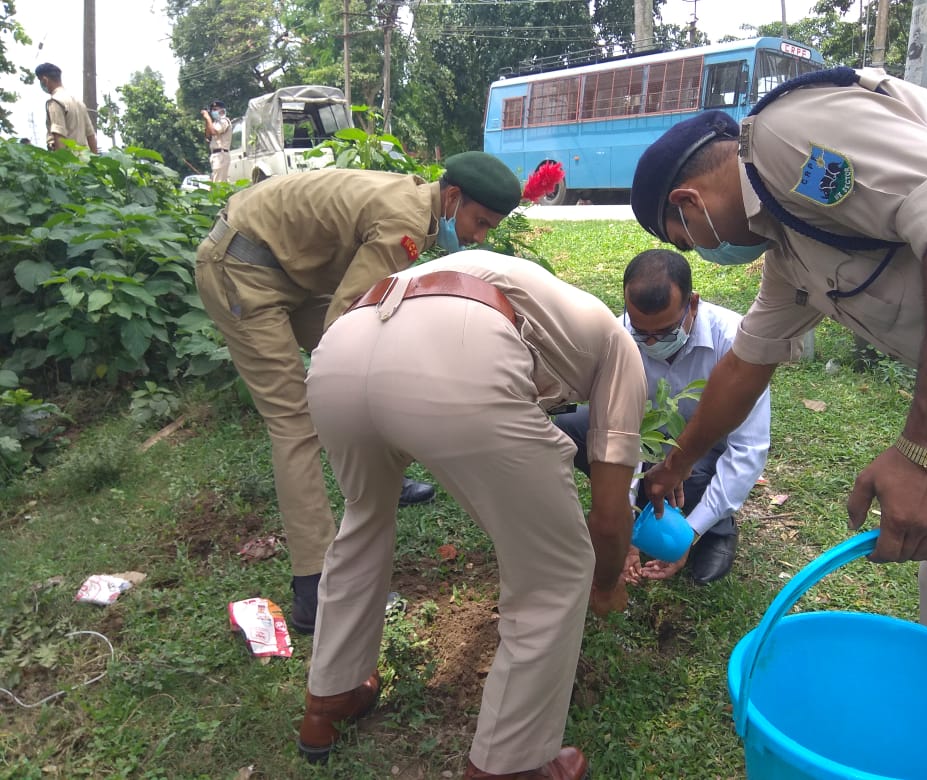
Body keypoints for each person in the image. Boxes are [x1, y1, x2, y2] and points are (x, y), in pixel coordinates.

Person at [630, 65, 927, 767]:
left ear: (688, 203)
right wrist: (675, 464)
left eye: (688, 241)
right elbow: (743, 369)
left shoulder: (788, 138)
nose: (707, 256)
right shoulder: (792, 249)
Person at [298, 250, 646, 780]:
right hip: (457, 352)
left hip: (343, 348)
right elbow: (608, 511)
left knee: (364, 518)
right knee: (555, 570)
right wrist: (605, 582)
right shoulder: (621, 351)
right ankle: (512, 763)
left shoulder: (549, 299)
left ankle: (330, 698)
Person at [194, 153, 523, 634]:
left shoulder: (424, 206)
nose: (479, 237)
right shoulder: (407, 219)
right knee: (294, 424)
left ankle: (383, 475)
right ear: (453, 197)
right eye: (479, 222)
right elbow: (345, 323)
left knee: (386, 361)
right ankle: (316, 586)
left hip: (286, 269)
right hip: (241, 270)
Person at [555, 249, 769, 584]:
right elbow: (618, 432)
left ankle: (715, 531)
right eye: (642, 333)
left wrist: (690, 535)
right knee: (572, 429)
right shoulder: (618, 335)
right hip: (644, 438)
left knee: (694, 477)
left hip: (705, 450)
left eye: (666, 332)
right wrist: (623, 526)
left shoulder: (736, 343)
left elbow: (747, 451)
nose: (652, 343)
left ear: (693, 304)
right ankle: (647, 513)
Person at [34, 62, 98, 153]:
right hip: (85, 159)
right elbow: (91, 135)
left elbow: (59, 134)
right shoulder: (79, 102)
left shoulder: (55, 102)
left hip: (69, 160)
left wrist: (62, 163)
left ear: (45, 80)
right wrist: (95, 162)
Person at [201, 99, 232, 183]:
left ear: (222, 110)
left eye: (216, 109)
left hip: (221, 155)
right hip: (215, 155)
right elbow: (208, 135)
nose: (213, 112)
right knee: (217, 181)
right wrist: (207, 120)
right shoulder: (214, 123)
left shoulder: (224, 121)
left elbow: (214, 132)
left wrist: (207, 117)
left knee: (218, 183)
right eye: (212, 110)